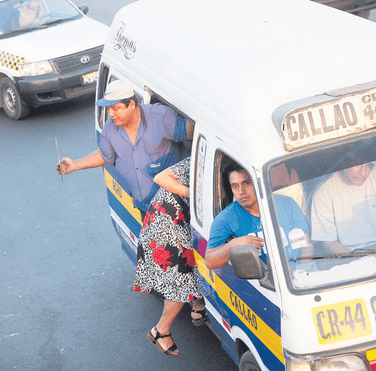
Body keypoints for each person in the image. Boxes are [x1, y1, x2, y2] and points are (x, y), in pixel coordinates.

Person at [56, 80, 194, 214]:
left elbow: (189, 132)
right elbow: (105, 154)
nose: (110, 114)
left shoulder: (159, 116)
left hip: (175, 206)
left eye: (115, 108)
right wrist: (75, 165)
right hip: (144, 208)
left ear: (132, 104)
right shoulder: (109, 129)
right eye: (108, 109)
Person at [132, 157, 205, 357]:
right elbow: (161, 177)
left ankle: (198, 305)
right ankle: (160, 331)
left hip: (182, 222)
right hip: (167, 224)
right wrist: (195, 194)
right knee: (181, 279)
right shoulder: (199, 158)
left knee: (192, 264)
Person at [205, 163, 312, 270]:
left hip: (298, 273)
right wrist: (234, 244)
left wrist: (303, 272)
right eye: (235, 186)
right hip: (265, 282)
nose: (241, 191)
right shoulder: (226, 218)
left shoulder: (288, 204)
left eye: (246, 183)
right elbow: (210, 262)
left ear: (258, 183)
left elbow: (306, 246)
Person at [310, 161, 376, 254]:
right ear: (342, 163)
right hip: (351, 256)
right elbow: (330, 244)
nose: (363, 173)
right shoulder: (324, 192)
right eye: (357, 165)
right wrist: (359, 259)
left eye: (368, 165)